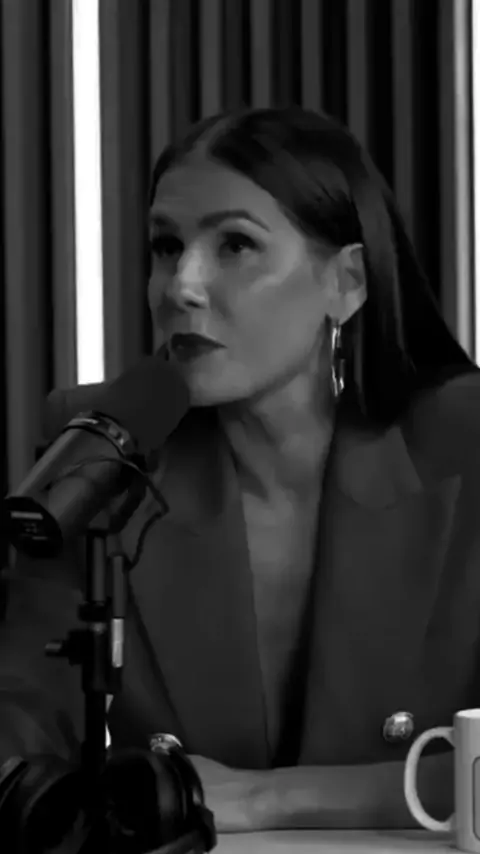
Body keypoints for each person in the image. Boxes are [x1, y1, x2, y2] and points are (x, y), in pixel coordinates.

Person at [2, 105, 480, 833]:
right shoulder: (105, 448)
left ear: (346, 281)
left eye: (235, 245)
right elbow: (18, 724)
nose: (181, 285)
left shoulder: (462, 444)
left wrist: (266, 799)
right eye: (167, 246)